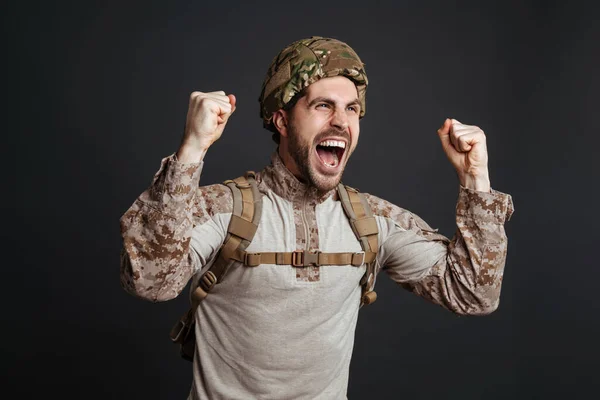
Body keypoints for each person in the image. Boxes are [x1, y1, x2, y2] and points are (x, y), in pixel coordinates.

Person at [120, 36, 514, 399]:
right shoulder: (226, 209)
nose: (341, 121)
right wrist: (191, 150)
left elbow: (473, 294)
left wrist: (475, 179)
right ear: (281, 120)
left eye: (352, 108)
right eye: (323, 105)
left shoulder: (372, 220)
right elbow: (152, 281)